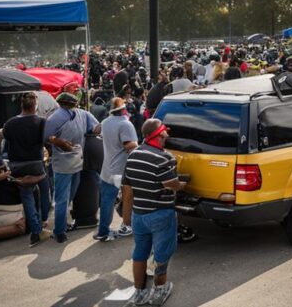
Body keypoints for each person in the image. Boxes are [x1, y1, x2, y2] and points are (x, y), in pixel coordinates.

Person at [124, 118, 188, 306]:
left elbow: (127, 188)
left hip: (139, 215)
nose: (167, 135)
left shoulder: (133, 154)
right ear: (159, 135)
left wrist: (127, 216)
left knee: (140, 253)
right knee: (161, 255)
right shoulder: (165, 158)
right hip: (161, 214)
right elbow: (172, 185)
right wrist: (183, 184)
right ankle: (159, 290)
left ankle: (139, 293)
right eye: (165, 133)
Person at [44, 90, 100, 243]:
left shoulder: (54, 117)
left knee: (61, 199)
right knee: (69, 196)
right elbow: (97, 129)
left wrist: (56, 142)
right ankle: (62, 225)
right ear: (74, 103)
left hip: (62, 163)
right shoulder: (84, 114)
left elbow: (46, 138)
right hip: (78, 160)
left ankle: (59, 231)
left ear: (60, 103)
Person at [2, 92, 48, 246]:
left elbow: (6, 141)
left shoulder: (9, 123)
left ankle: (36, 230)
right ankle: (40, 226)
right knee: (44, 192)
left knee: (27, 196)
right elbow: (45, 141)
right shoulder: (41, 122)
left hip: (17, 165)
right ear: (35, 106)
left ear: (21, 105)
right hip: (36, 163)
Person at [96, 97, 137, 242]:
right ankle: (126, 226)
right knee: (127, 198)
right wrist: (139, 146)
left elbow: (96, 130)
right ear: (123, 109)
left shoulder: (105, 122)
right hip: (121, 169)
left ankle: (103, 231)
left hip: (107, 168)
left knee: (107, 201)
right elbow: (128, 145)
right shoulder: (125, 124)